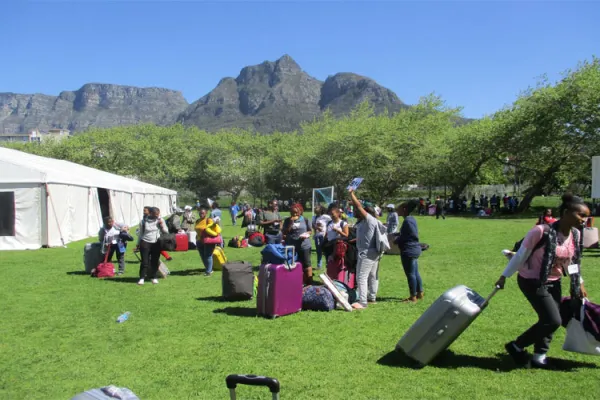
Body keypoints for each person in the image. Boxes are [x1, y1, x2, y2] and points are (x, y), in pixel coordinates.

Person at [495, 194, 590, 368]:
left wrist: (580, 282)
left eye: (586, 216)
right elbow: (520, 256)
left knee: (551, 319)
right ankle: (516, 346)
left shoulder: (575, 234)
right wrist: (503, 277)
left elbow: (571, 260)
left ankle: (539, 357)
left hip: (554, 280)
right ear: (566, 212)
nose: (585, 220)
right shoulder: (541, 231)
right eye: (581, 215)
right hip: (532, 280)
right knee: (553, 320)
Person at [348, 188, 380, 309]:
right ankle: (372, 297)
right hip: (372, 251)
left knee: (361, 276)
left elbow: (358, 205)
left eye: (357, 210)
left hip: (367, 253)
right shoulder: (366, 222)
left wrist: (352, 194)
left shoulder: (369, 220)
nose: (355, 211)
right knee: (372, 275)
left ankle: (362, 302)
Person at [395, 201, 423, 303]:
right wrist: (399, 234)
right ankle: (420, 293)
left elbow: (412, 234)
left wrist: (398, 239)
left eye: (399, 208)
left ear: (404, 209)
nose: (397, 210)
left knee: (410, 274)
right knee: (415, 272)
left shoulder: (408, 220)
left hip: (409, 250)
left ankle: (413, 296)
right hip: (413, 249)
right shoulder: (410, 219)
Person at [137, 207, 168, 285]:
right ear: (150, 213)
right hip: (145, 242)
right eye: (155, 214)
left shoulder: (160, 220)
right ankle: (142, 278)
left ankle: (154, 277)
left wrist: (161, 225)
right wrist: (138, 244)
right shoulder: (143, 221)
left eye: (158, 214)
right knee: (145, 262)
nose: (157, 216)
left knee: (155, 261)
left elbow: (166, 231)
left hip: (156, 243)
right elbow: (140, 234)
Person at [283, 204, 313, 284]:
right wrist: (290, 223)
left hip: (304, 246)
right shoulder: (287, 220)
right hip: (291, 246)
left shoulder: (305, 219)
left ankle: (309, 283)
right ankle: (295, 282)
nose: (294, 214)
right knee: (292, 264)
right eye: (292, 213)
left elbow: (310, 230)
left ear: (300, 212)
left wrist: (306, 234)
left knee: (306, 264)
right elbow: (285, 232)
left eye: (296, 213)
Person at [195, 207, 220, 276]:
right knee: (202, 256)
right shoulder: (197, 221)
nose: (201, 214)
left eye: (203, 213)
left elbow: (215, 227)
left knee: (208, 255)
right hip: (199, 240)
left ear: (206, 213)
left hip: (208, 240)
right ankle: (208, 268)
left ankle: (209, 271)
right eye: (200, 213)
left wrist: (216, 223)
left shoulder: (208, 220)